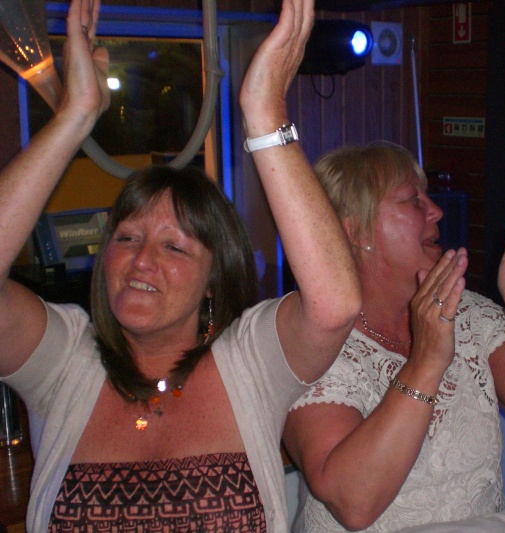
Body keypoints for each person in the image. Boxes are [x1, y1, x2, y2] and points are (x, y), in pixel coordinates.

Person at [0, 0, 360, 531]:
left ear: (215, 275)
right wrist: (75, 115)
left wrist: (266, 113)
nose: (141, 258)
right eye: (126, 236)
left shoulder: (249, 363)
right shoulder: (63, 362)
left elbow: (334, 308)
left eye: (174, 247)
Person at [282, 142, 505, 532]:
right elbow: (353, 504)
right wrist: (425, 363)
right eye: (413, 200)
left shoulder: (470, 314)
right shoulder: (310, 337)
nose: (437, 210)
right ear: (354, 230)